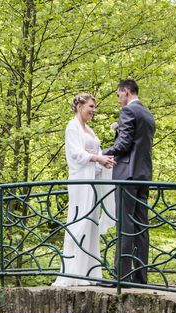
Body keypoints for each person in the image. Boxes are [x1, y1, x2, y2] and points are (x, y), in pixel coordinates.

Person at [52, 93, 116, 287]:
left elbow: (92, 153)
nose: (93, 110)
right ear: (79, 106)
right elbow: (76, 153)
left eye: (94, 107)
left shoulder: (89, 130)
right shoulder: (72, 128)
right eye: (90, 106)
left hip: (93, 180)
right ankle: (73, 273)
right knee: (79, 222)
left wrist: (101, 160)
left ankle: (91, 273)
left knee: (91, 224)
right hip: (81, 182)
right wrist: (96, 158)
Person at [103, 79, 156, 284]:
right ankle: (140, 277)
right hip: (144, 176)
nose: (118, 99)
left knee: (125, 225)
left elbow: (124, 144)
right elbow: (137, 143)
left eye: (118, 95)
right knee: (141, 226)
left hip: (127, 175)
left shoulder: (128, 112)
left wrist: (101, 153)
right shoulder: (148, 114)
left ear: (126, 91)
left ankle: (121, 277)